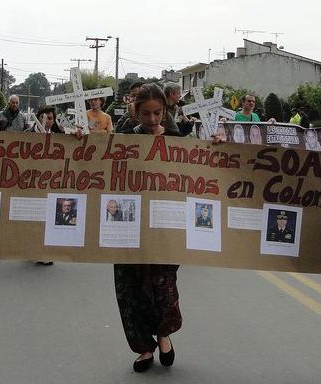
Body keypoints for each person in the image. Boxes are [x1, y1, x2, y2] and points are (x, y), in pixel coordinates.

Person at [114, 83, 181, 373]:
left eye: (157, 113)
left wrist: (215, 142)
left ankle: (163, 333)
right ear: (136, 111)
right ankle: (143, 347)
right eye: (145, 114)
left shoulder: (181, 141)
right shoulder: (124, 140)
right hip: (127, 226)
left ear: (165, 111)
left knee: (163, 285)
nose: (152, 120)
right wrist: (79, 139)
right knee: (130, 289)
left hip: (166, 225)